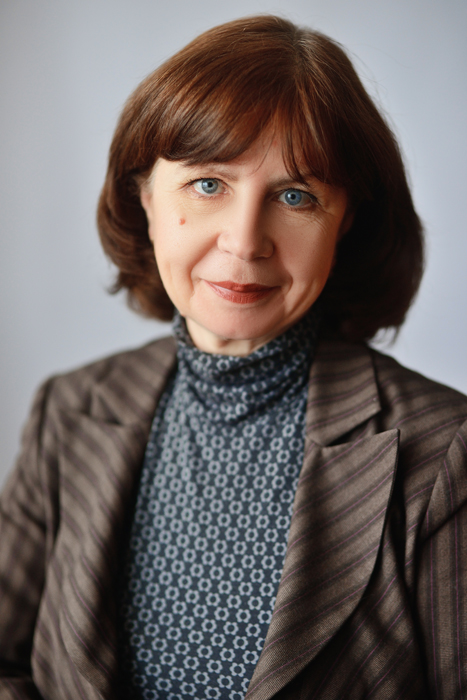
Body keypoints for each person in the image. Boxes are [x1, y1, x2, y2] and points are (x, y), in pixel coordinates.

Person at [0, 13, 466, 700]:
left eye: (295, 195)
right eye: (208, 184)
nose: (245, 241)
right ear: (145, 197)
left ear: (344, 223)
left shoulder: (445, 451)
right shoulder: (65, 411)